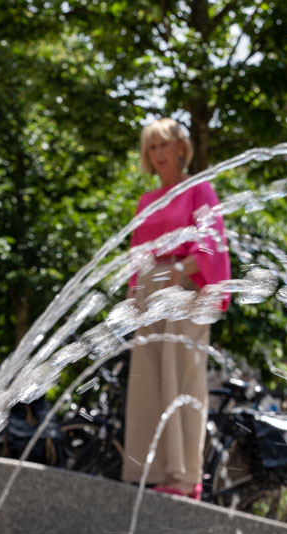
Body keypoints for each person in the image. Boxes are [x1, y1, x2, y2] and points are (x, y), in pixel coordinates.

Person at [122, 117, 231, 499]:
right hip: (151, 295)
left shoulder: (199, 190)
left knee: (182, 380)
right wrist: (134, 293)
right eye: (152, 148)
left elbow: (211, 240)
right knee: (148, 382)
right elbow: (137, 252)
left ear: (181, 149)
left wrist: (182, 269)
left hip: (184, 289)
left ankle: (186, 477)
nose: (159, 154)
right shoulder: (147, 201)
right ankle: (153, 470)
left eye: (164, 145)